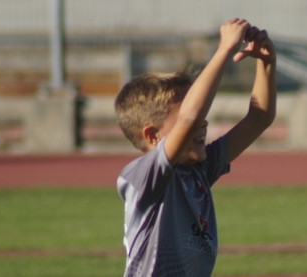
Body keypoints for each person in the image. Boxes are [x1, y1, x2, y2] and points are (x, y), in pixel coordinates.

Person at [114, 18, 276, 277]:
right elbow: (190, 117)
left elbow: (260, 118)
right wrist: (224, 50)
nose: (203, 124)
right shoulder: (145, 177)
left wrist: (266, 63)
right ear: (153, 136)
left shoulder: (198, 171)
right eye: (192, 120)